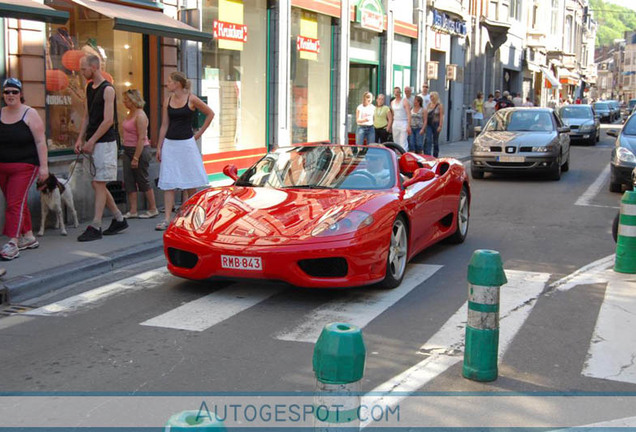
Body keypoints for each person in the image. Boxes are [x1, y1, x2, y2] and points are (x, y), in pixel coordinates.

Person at [75, 54, 127, 241]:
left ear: (94, 67)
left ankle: (96, 225)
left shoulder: (108, 90)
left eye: (83, 69)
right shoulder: (89, 88)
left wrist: (92, 140)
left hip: (105, 142)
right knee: (97, 182)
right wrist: (80, 138)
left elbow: (108, 121)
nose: (81, 72)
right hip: (94, 141)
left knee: (99, 182)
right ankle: (119, 218)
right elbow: (87, 116)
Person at [156, 71, 214, 231]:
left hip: (186, 144)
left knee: (191, 181)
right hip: (171, 143)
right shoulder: (167, 100)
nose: (167, 84)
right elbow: (164, 125)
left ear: (177, 84)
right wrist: (160, 146)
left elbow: (210, 113)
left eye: (169, 81)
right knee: (169, 181)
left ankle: (193, 214)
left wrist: (199, 134)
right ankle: (167, 218)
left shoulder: (191, 99)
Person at [0, 78, 48, 260]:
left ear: (21, 94)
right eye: (7, 92)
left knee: (14, 204)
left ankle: (12, 242)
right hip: (3, 167)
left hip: (25, 166)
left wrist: (44, 168)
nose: (10, 95)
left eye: (14, 91)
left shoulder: (30, 113)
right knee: (17, 201)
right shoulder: (1, 113)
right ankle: (28, 236)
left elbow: (40, 141)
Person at [121, 89, 158, 219]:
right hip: (128, 149)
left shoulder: (140, 115)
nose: (124, 102)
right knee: (129, 180)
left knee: (142, 179)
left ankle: (153, 208)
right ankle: (133, 210)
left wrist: (136, 157)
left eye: (126, 100)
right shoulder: (129, 114)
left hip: (140, 150)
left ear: (133, 100)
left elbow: (142, 138)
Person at [425, 91, 444, 157]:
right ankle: (428, 155)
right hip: (429, 124)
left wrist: (440, 126)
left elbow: (441, 116)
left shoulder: (439, 105)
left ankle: (435, 155)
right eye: (430, 96)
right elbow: (426, 115)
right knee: (428, 139)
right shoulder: (428, 105)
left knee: (435, 141)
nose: (431, 98)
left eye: (432, 96)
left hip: (436, 123)